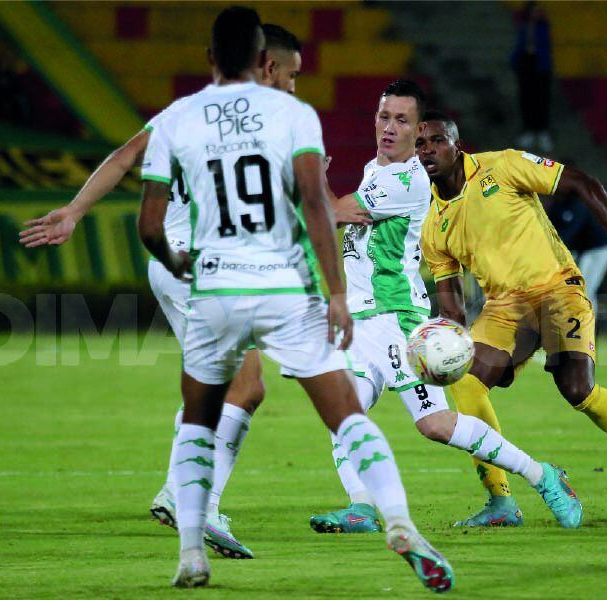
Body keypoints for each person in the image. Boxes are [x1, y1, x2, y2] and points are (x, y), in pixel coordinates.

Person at [136, 6, 452, 590]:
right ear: (266, 61)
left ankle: (190, 555)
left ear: (210, 58)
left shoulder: (179, 119)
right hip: (280, 286)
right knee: (348, 415)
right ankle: (403, 524)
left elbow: (150, 225)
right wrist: (335, 292)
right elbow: (316, 208)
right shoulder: (291, 117)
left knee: (203, 413)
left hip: (214, 283)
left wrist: (176, 263)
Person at [19, 23, 315, 560]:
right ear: (267, 67)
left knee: (218, 384)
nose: (294, 88)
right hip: (198, 263)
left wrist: (76, 209)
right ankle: (198, 503)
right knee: (247, 387)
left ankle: (175, 492)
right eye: (291, 76)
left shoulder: (190, 110)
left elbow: (126, 154)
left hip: (176, 263)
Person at [308, 81, 582, 534]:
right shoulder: (374, 170)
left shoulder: (404, 179)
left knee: (435, 424)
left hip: (394, 321)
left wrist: (312, 185)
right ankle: (361, 508)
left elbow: (326, 215)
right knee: (341, 414)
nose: (389, 128)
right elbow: (340, 219)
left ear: (417, 132)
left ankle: (543, 474)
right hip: (360, 322)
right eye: (383, 117)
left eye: (402, 120)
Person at [415, 111, 607, 527]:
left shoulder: (504, 165)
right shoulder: (434, 225)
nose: (428, 150)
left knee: (577, 389)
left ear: (457, 145)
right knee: (468, 381)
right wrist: (439, 348)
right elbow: (453, 308)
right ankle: (501, 501)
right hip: (504, 307)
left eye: (437, 140)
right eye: (420, 144)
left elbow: (585, 183)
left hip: (556, 289)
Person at [546, 176, 607, 313]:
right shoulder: (557, 204)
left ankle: (588, 330)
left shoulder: (579, 202)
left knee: (585, 289)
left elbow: (568, 233)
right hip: (579, 249)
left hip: (598, 249)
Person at [510, 1, 553, 152]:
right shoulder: (523, 27)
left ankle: (542, 132)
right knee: (526, 99)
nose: (535, 14)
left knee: (541, 100)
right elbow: (519, 46)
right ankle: (529, 130)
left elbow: (544, 46)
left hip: (540, 66)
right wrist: (515, 62)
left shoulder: (543, 27)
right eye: (533, 11)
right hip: (526, 65)